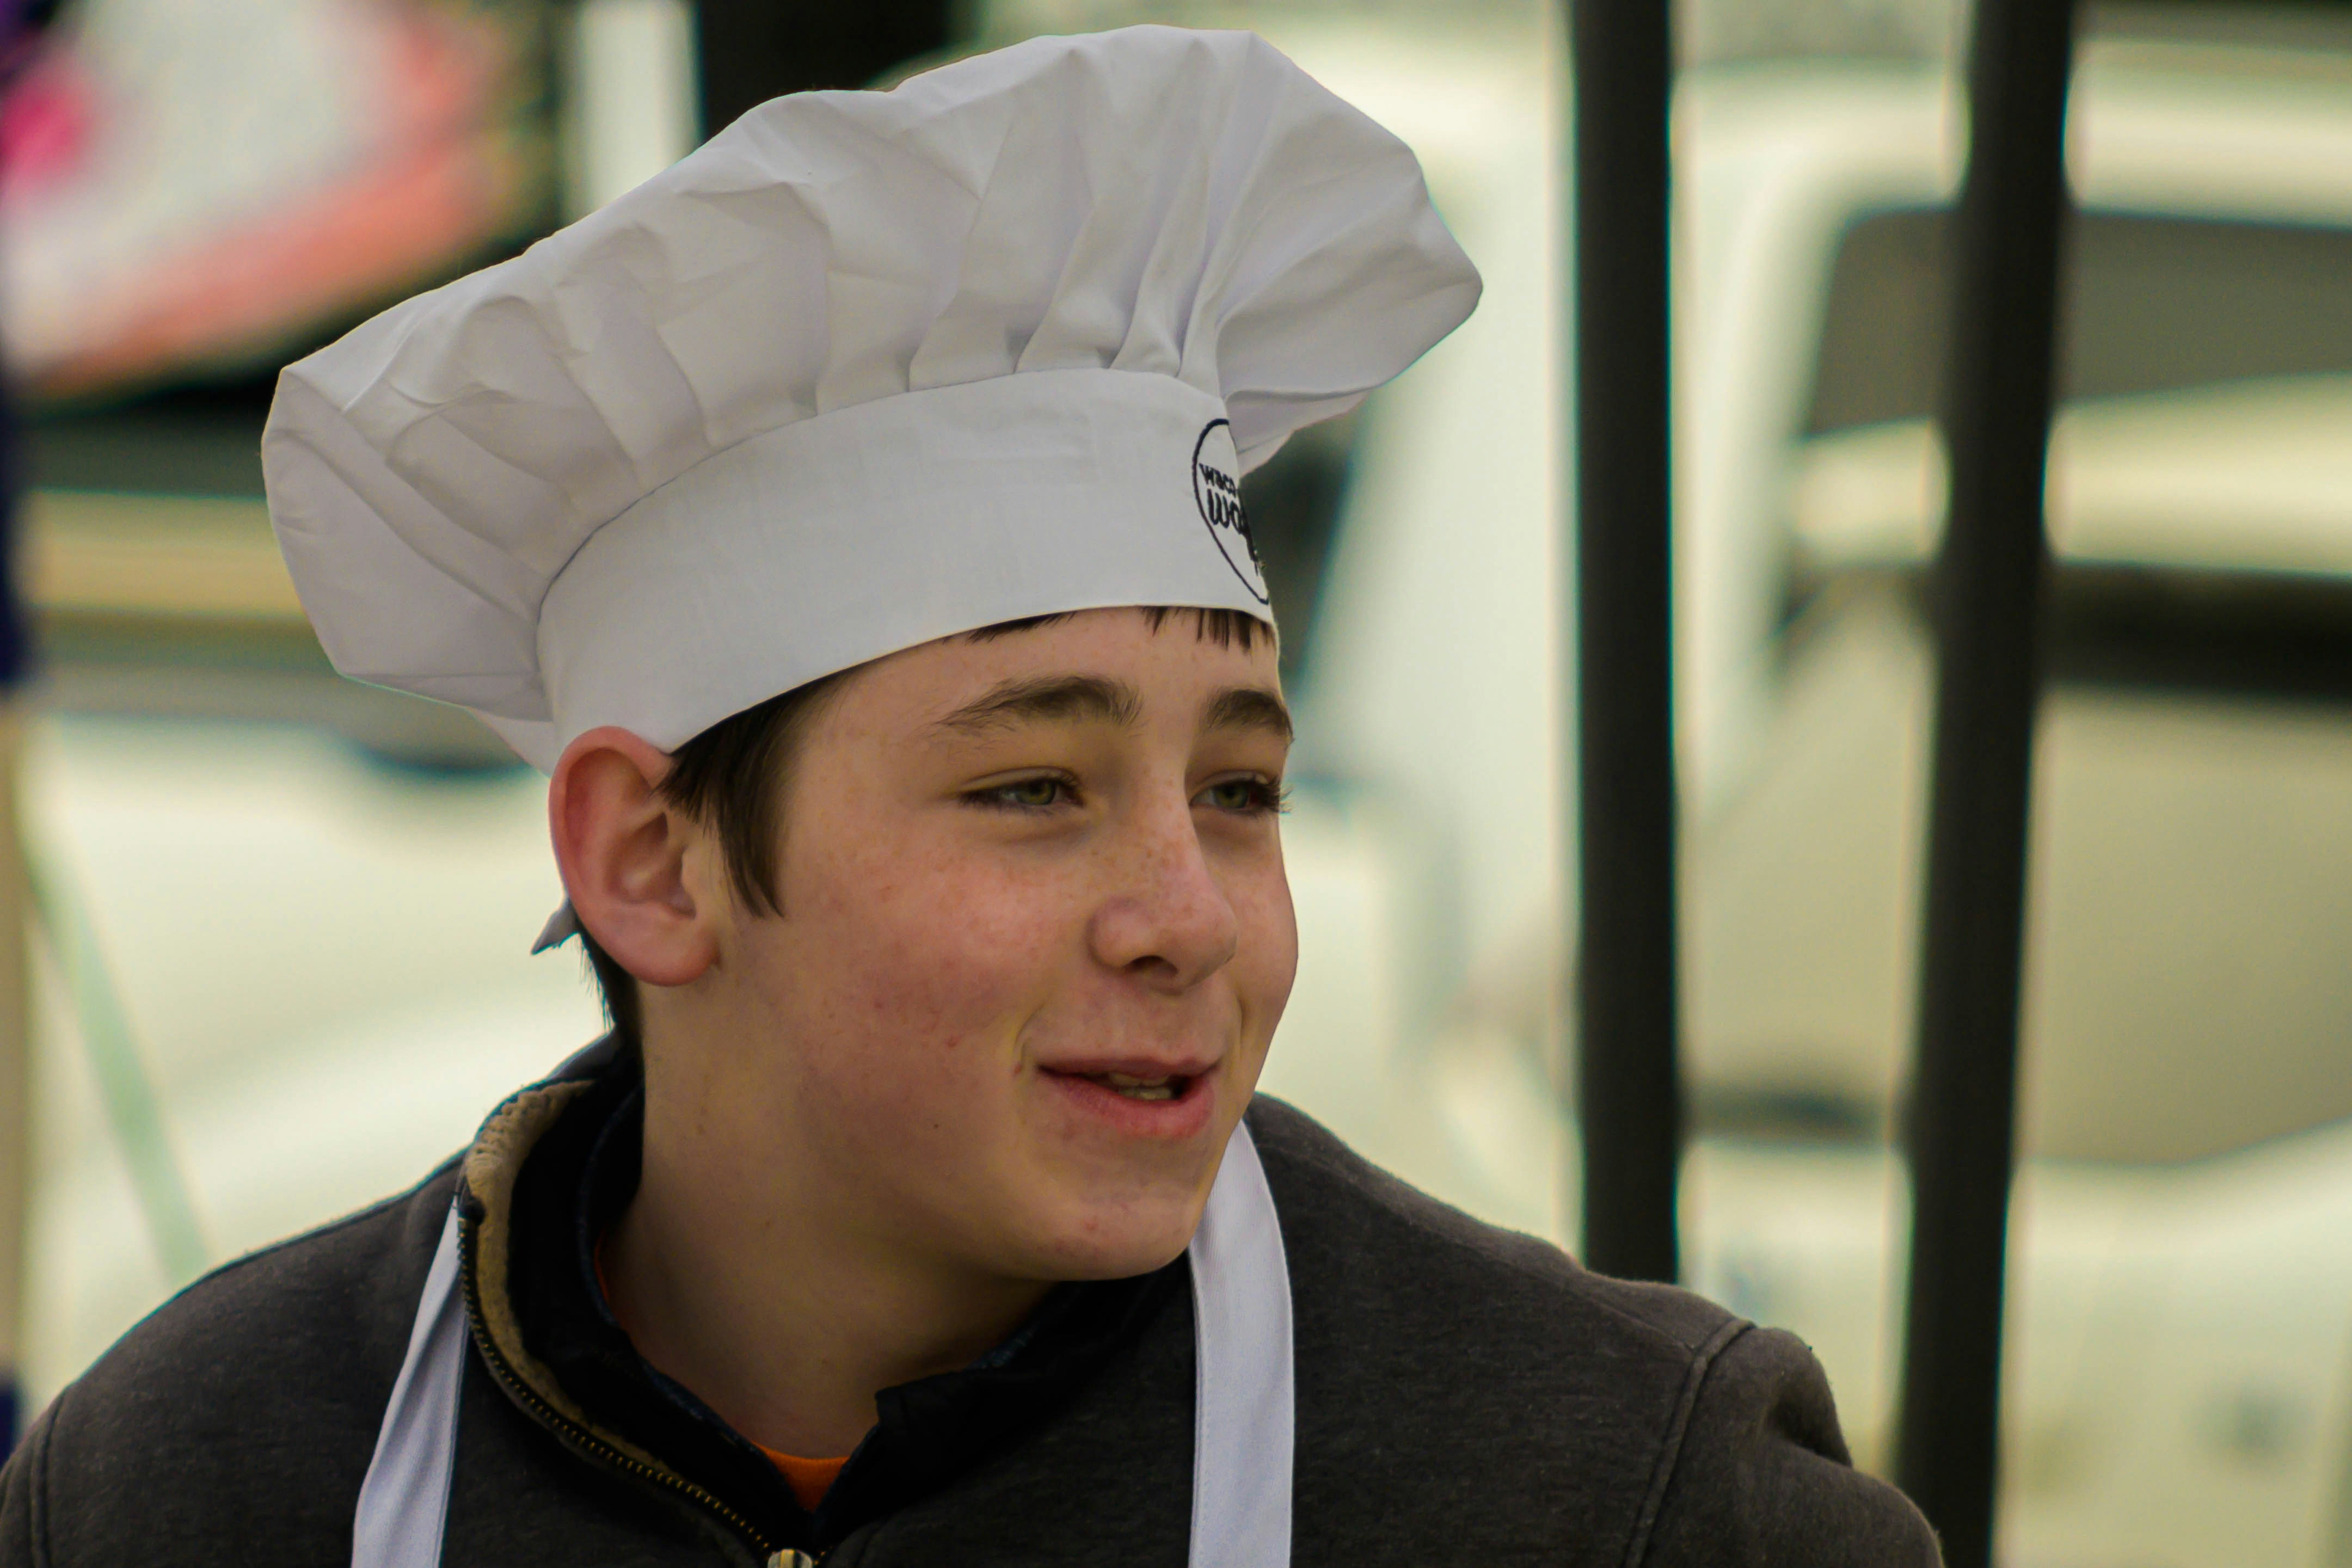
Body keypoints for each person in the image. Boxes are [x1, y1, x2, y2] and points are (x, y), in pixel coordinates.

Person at [0, 26, 1938, 1567]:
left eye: (1243, 785)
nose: (1187, 911)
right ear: (648, 857)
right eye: (1033, 785)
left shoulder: (1617, 1495)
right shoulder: (199, 1479)